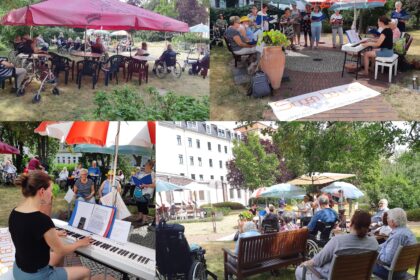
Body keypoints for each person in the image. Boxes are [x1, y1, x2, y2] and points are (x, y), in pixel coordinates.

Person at [9, 171, 91, 280]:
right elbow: (61, 250)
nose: (52, 194)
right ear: (42, 191)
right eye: (51, 190)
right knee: (86, 271)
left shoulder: (14, 212)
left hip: (18, 271)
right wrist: (79, 243)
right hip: (37, 276)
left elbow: (28, 232)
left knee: (58, 256)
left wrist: (52, 233)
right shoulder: (42, 220)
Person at [296, 210, 379, 280]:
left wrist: (305, 263)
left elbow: (317, 261)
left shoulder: (338, 241)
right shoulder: (373, 243)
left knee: (299, 270)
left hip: (328, 276)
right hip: (357, 276)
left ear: (351, 224)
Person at [373, 208, 417, 279]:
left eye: (388, 218)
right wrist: (377, 248)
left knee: (364, 265)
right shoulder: (407, 232)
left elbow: (386, 260)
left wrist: (376, 254)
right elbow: (384, 246)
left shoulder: (397, 236)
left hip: (392, 273)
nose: (387, 220)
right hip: (402, 270)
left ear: (392, 222)